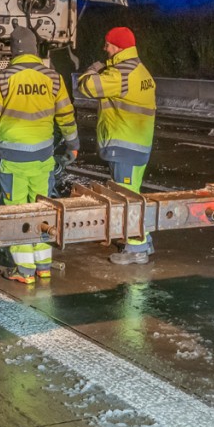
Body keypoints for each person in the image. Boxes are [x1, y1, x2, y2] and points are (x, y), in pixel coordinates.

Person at [0, 26, 79, 284]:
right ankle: (43, 266)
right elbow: (66, 115)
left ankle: (24, 270)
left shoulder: (3, 79)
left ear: (13, 50)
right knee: (42, 209)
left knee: (17, 212)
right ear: (34, 49)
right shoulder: (53, 78)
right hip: (43, 157)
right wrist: (73, 144)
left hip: (15, 161)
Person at [77, 26, 157, 264]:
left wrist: (93, 68)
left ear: (119, 47)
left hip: (125, 144)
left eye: (108, 44)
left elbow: (86, 87)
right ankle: (144, 240)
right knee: (133, 194)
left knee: (126, 198)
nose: (105, 48)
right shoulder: (140, 70)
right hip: (137, 143)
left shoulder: (120, 74)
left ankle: (136, 249)